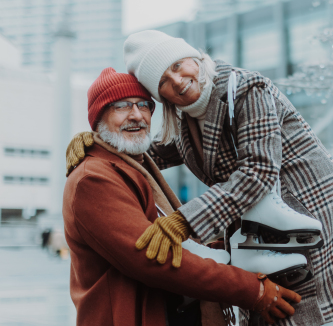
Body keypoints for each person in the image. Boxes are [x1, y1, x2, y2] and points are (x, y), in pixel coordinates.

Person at [63, 68, 300, 326]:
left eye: (144, 105)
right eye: (121, 107)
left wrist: (228, 251)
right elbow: (154, 258)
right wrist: (251, 290)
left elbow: (173, 244)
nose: (136, 115)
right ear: (98, 119)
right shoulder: (94, 179)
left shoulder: (134, 165)